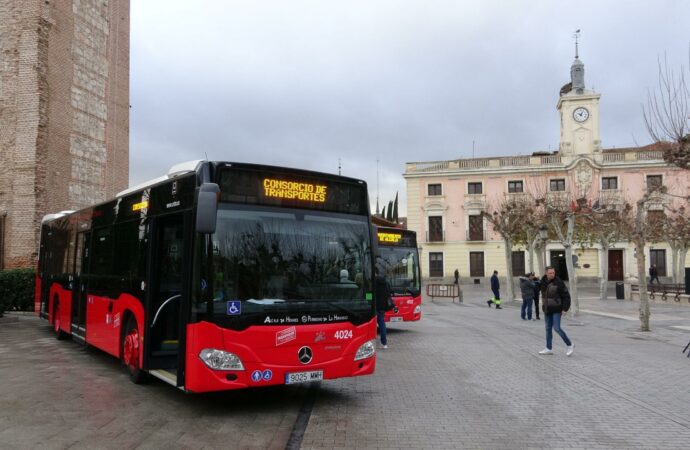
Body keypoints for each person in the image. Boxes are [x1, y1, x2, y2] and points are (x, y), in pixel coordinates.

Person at [538, 266, 574, 356]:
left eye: (553, 273)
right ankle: (548, 348)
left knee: (557, 328)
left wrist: (565, 309)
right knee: (547, 329)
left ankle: (570, 344)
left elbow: (566, 296)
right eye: (550, 273)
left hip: (557, 309)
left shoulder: (559, 282)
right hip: (547, 309)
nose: (552, 275)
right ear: (546, 273)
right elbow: (538, 291)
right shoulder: (542, 281)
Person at [374, 266, 392, 349]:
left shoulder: (372, 282)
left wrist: (368, 299)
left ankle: (370, 342)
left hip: (373, 307)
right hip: (382, 307)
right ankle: (384, 343)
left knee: (370, 325)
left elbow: (369, 295)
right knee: (382, 324)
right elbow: (388, 294)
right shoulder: (384, 282)